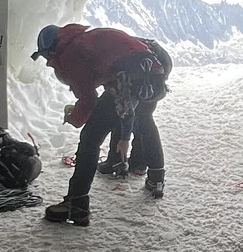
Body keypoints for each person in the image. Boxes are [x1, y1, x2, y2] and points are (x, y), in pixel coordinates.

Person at [34, 23, 169, 224]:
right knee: (143, 120)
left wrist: (75, 118)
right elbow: (122, 98)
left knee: (90, 139)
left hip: (131, 79)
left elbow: (91, 100)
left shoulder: (71, 53)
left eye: (47, 58)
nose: (48, 64)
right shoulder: (85, 40)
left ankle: (76, 205)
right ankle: (156, 176)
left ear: (52, 49)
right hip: (152, 76)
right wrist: (123, 136)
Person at [96, 37, 174, 176]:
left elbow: (125, 109)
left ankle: (117, 162)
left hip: (148, 68)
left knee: (131, 113)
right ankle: (142, 166)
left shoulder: (112, 64)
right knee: (142, 118)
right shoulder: (109, 55)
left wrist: (124, 139)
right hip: (159, 62)